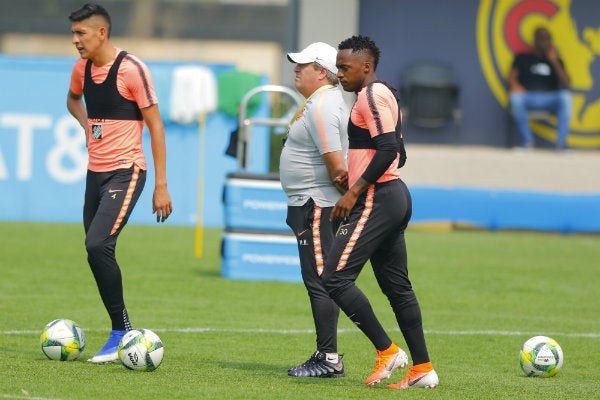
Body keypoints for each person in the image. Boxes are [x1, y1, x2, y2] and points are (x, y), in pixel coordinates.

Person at [320, 35, 438, 389]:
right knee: (397, 288)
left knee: (334, 278)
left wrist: (353, 191)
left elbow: (388, 150)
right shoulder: (384, 93)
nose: (339, 73)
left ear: (365, 67)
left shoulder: (370, 96)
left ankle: (387, 352)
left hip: (378, 198)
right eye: (338, 67)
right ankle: (422, 369)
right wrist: (354, 172)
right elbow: (398, 152)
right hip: (393, 196)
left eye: (344, 67)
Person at [66, 3, 173, 363]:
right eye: (73, 34)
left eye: (81, 33)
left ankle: (120, 332)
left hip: (127, 170)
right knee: (94, 249)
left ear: (102, 33)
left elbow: (156, 126)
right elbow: (73, 99)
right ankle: (120, 330)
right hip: (94, 173)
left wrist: (161, 185)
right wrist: (86, 127)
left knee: (98, 244)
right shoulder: (81, 69)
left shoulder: (132, 70)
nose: (76, 40)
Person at [280, 42, 349, 378]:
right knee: (322, 280)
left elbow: (338, 169)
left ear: (322, 72)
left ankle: (329, 357)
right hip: (309, 203)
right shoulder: (318, 101)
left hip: (317, 205)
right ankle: (328, 354)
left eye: (304, 64)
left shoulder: (322, 106)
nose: (296, 68)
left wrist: (350, 201)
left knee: (322, 281)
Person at [508, 26, 572, 150]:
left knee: (566, 97)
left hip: (550, 98)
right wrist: (517, 87)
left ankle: (561, 144)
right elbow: (511, 78)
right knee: (515, 98)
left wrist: (554, 61)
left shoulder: (556, 60)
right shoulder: (523, 58)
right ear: (534, 40)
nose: (544, 41)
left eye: (547, 38)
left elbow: (566, 84)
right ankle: (527, 141)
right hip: (528, 96)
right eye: (541, 38)